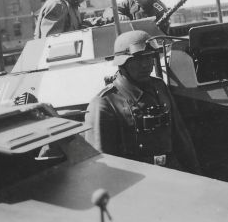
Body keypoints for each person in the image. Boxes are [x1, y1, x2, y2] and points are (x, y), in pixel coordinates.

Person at [84, 30, 200, 172]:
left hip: (172, 172)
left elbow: (180, 136)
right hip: (137, 180)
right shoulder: (105, 103)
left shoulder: (159, 87)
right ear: (123, 63)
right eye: (138, 59)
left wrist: (196, 174)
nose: (146, 65)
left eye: (149, 57)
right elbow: (102, 163)